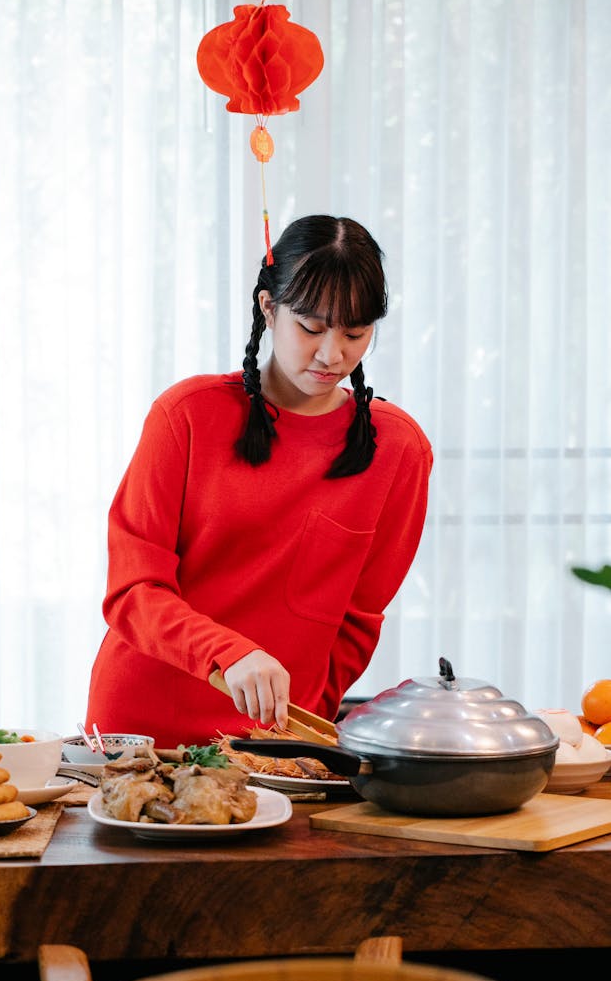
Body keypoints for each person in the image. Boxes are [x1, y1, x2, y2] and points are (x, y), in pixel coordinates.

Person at [87, 215, 433, 747]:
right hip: (141, 729)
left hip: (274, 743)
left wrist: (299, 726)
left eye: (355, 333)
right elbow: (133, 590)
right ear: (269, 308)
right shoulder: (186, 415)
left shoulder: (399, 451)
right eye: (312, 328)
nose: (331, 354)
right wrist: (229, 653)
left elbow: (359, 621)